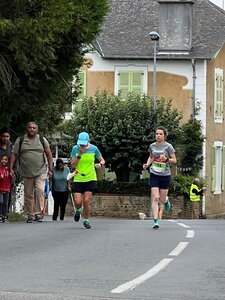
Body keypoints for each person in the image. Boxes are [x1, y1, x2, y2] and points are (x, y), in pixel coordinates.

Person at [9, 122, 53, 223]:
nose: (32, 129)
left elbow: (49, 154)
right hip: (26, 171)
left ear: (37, 130)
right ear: (27, 129)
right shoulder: (20, 140)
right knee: (28, 194)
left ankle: (38, 213)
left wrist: (50, 169)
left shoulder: (42, 139)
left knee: (40, 190)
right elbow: (14, 155)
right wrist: (11, 168)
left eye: (34, 128)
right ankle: (30, 214)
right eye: (30, 128)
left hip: (41, 170)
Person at [143, 126, 177, 229]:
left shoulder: (168, 147)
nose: (158, 135)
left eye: (160, 134)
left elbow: (175, 161)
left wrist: (166, 159)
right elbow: (151, 157)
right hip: (154, 174)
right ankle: (156, 221)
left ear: (164, 136)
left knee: (162, 199)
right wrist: (147, 164)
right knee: (155, 197)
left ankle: (166, 201)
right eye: (157, 133)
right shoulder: (152, 146)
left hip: (165, 175)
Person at [70, 132, 105, 229]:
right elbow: (73, 165)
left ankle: (86, 220)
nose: (82, 146)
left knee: (86, 201)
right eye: (80, 143)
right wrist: (80, 154)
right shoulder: (75, 149)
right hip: (78, 177)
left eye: (84, 144)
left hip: (90, 177)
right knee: (77, 201)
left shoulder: (94, 149)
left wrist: (100, 164)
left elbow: (102, 160)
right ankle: (78, 210)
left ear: (88, 141)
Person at [0, 154, 11, 223]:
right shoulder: (0, 169)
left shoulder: (9, 170)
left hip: (7, 188)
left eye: (5, 159)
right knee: (0, 202)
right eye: (2, 159)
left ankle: (5, 216)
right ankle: (0, 215)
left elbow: (11, 179)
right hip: (0, 188)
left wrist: (12, 176)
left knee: (5, 203)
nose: (4, 161)